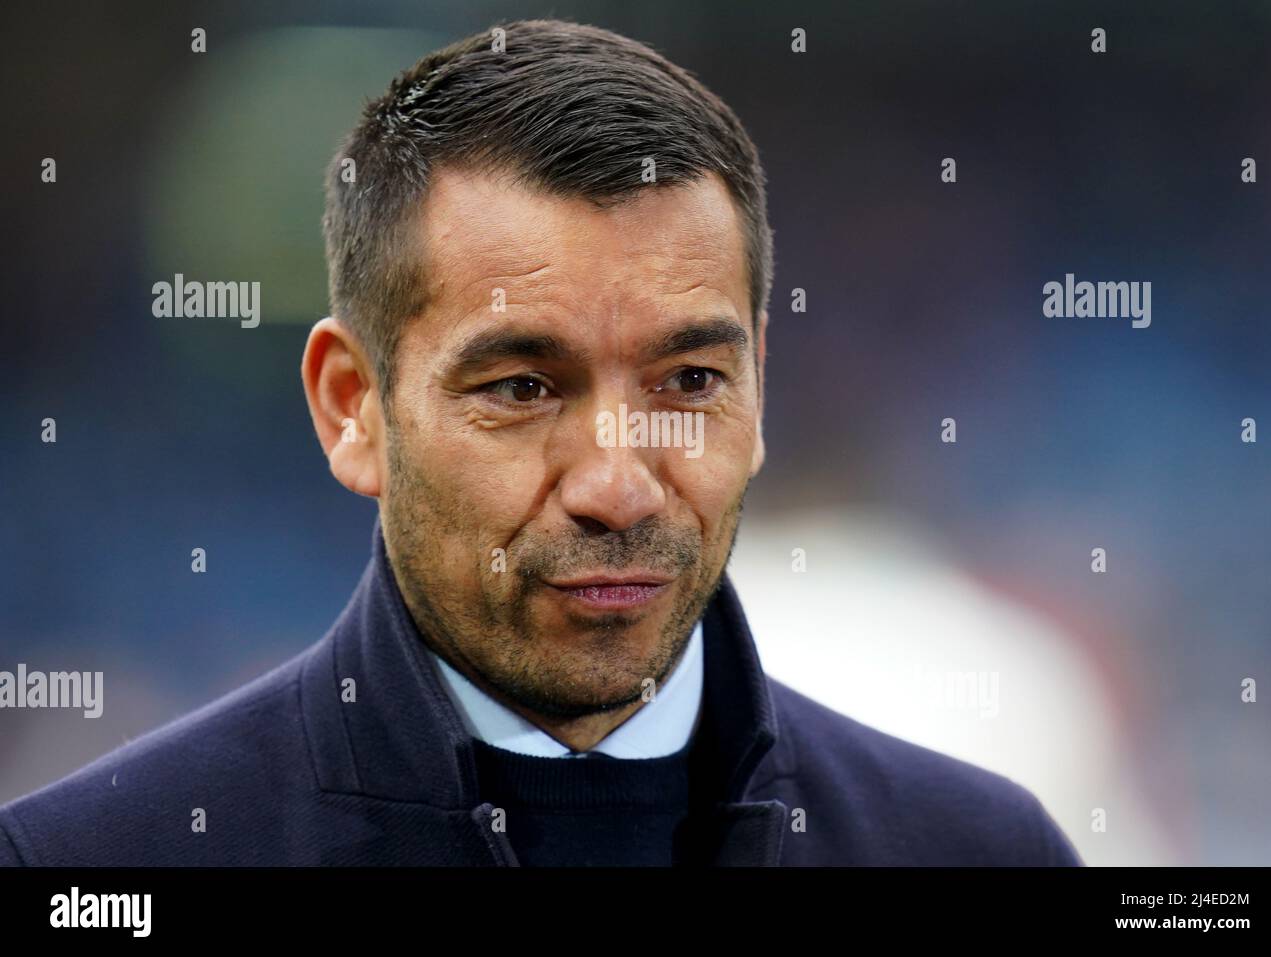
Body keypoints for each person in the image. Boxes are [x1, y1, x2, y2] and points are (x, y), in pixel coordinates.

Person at [0, 18, 1081, 866]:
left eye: (690, 381)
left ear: (758, 387)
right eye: (522, 387)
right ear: (352, 408)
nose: (616, 485)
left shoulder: (981, 850)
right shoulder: (93, 869)